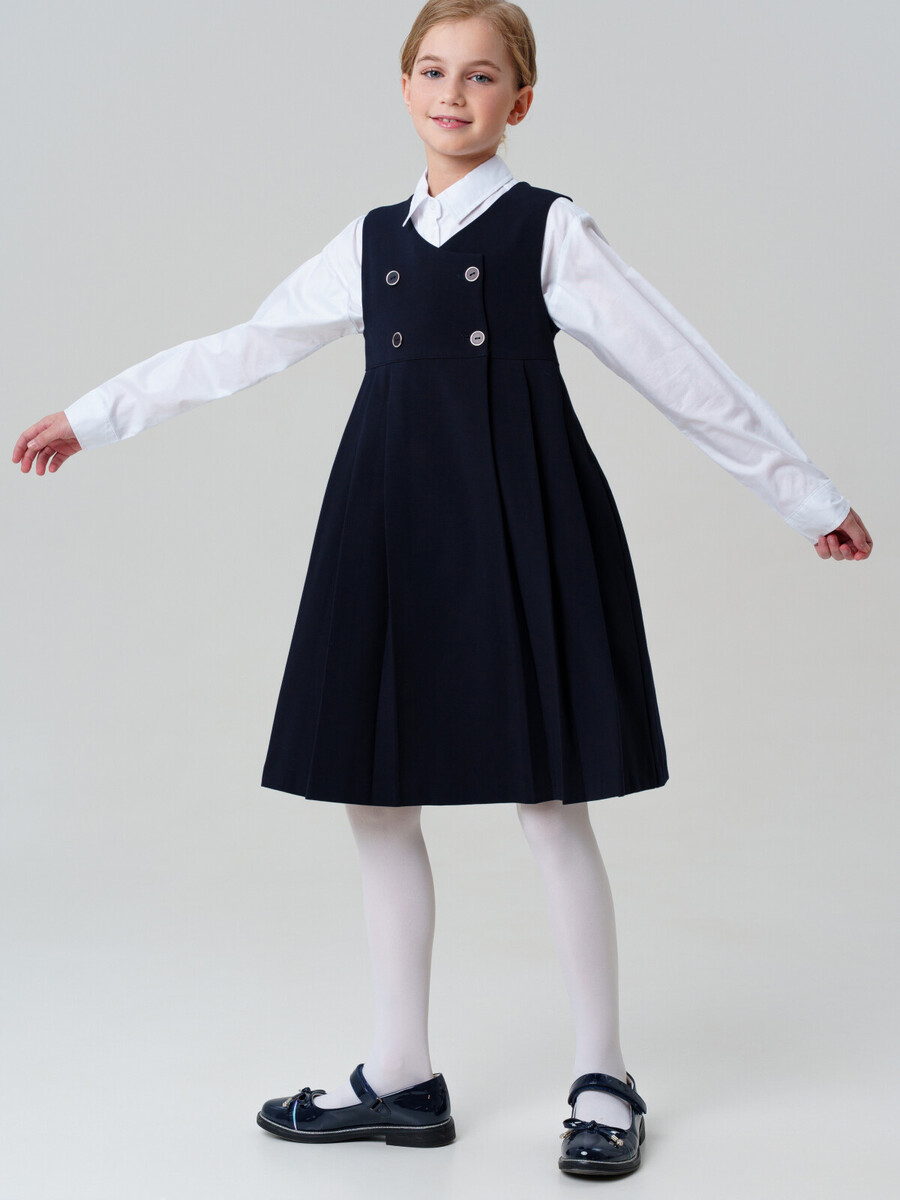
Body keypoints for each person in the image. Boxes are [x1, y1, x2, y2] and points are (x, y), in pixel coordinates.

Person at [12, 0, 872, 1180]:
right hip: (388, 526)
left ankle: (604, 1073)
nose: (452, 93)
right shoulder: (369, 240)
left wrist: (805, 494)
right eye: (432, 70)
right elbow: (247, 343)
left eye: (480, 75)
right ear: (404, 85)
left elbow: (679, 366)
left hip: (525, 523)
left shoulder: (548, 229)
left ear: (522, 99)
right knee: (377, 801)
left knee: (551, 800)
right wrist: (94, 415)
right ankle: (401, 1075)